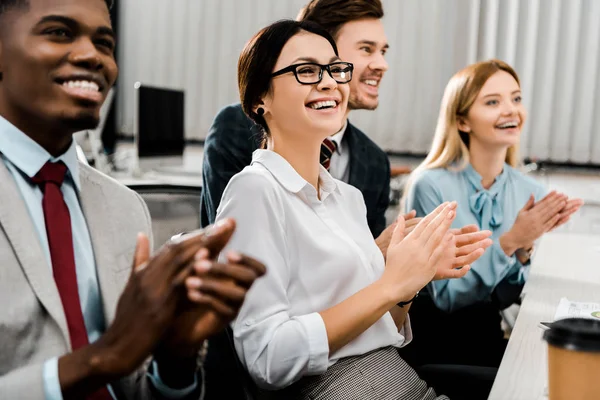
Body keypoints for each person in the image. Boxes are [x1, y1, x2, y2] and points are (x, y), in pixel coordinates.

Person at [215, 19, 493, 400]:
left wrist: (408, 285)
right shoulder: (253, 191)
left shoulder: (348, 198)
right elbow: (267, 359)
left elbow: (381, 330)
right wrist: (389, 283)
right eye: (307, 70)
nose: (329, 82)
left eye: (334, 68)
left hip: (403, 381)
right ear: (260, 97)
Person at [0, 0, 265, 398]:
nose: (93, 55)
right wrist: (101, 358)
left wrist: (173, 359)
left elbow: (133, 387)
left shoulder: (124, 208)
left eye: (105, 43)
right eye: (59, 32)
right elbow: (112, 359)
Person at [400, 59, 584, 369]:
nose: (511, 110)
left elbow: (504, 298)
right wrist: (510, 242)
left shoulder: (530, 191)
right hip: (434, 343)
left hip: (486, 334)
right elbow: (447, 297)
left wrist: (523, 252)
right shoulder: (429, 183)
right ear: (462, 122)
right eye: (493, 102)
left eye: (516, 98)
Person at [201, 0, 393, 243]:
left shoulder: (373, 166)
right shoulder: (238, 137)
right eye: (366, 49)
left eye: (383, 52)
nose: (382, 65)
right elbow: (229, 251)